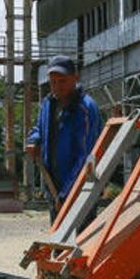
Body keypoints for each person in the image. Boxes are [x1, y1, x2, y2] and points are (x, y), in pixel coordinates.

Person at [25, 55, 102, 218]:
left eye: (62, 81)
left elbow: (85, 157)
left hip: (81, 189)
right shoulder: (48, 104)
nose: (57, 87)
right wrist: (34, 140)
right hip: (54, 187)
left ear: (75, 78)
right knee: (59, 233)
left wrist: (67, 194)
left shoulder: (85, 109)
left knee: (83, 233)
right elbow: (39, 128)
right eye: (53, 82)